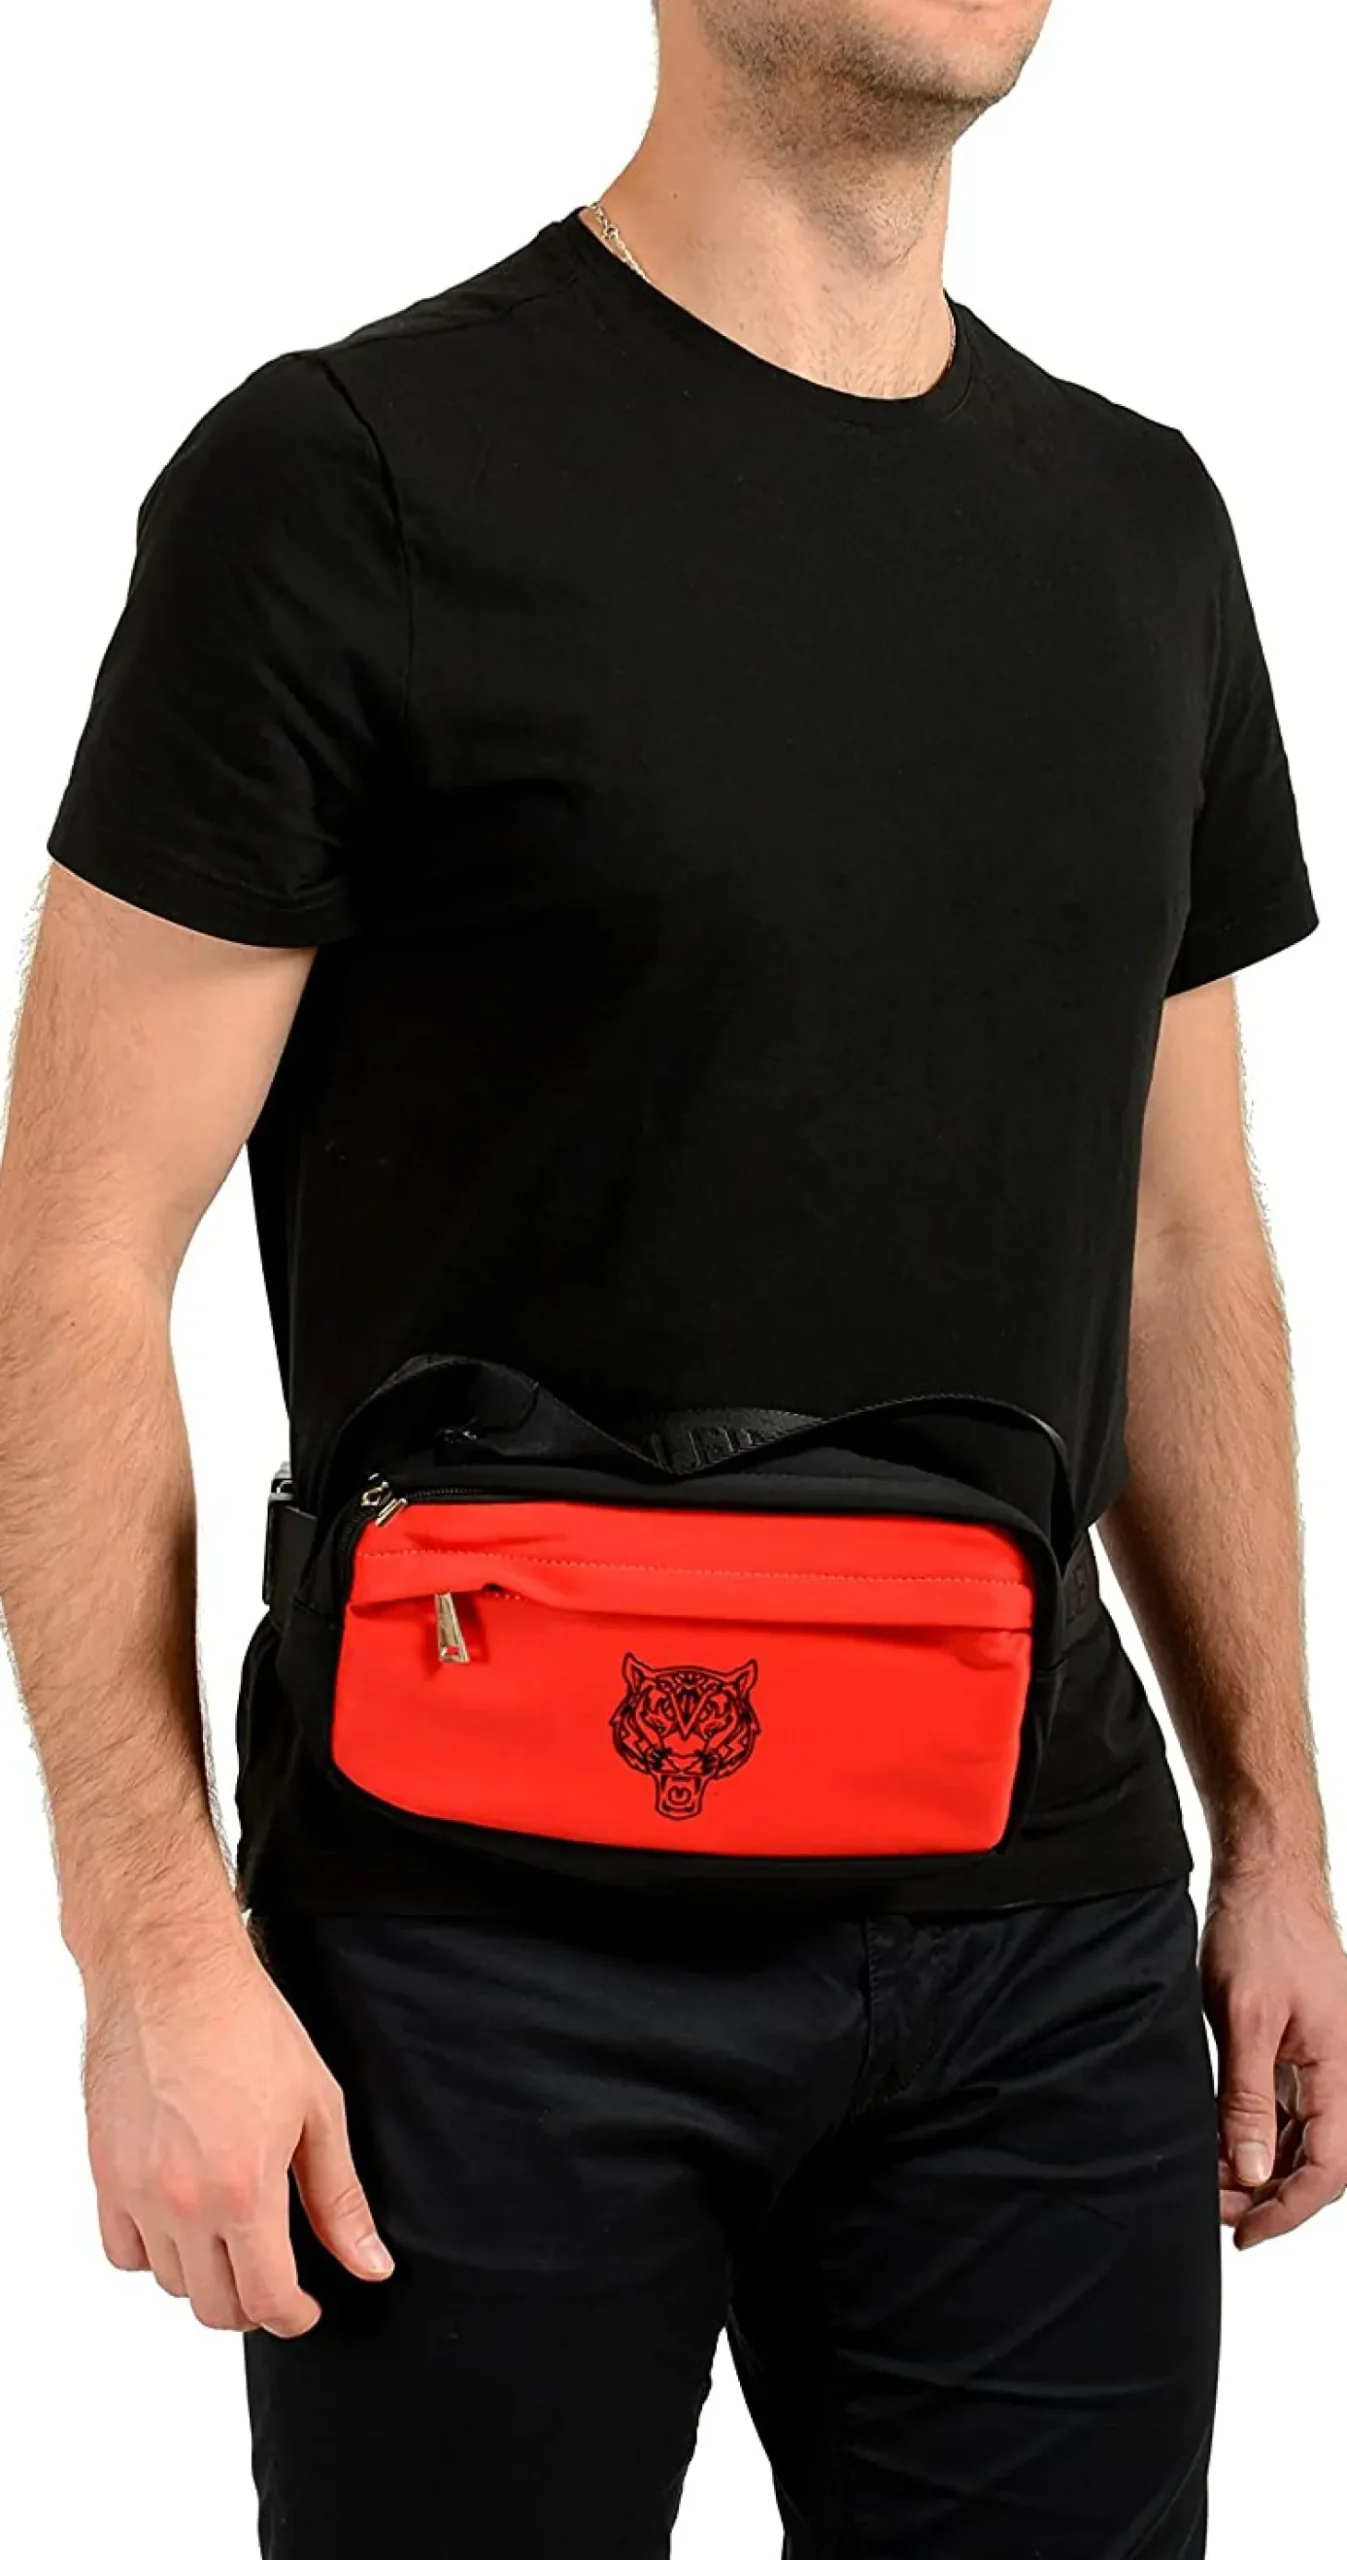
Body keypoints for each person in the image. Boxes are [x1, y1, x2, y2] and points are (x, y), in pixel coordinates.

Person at [1, 2, 1343, 2552]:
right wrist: (150, 1945)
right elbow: (68, 1249)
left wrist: (1275, 1828)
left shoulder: (1142, 530)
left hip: (1040, 1928)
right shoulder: (346, 479)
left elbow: (1185, 1245)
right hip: (472, 1942)